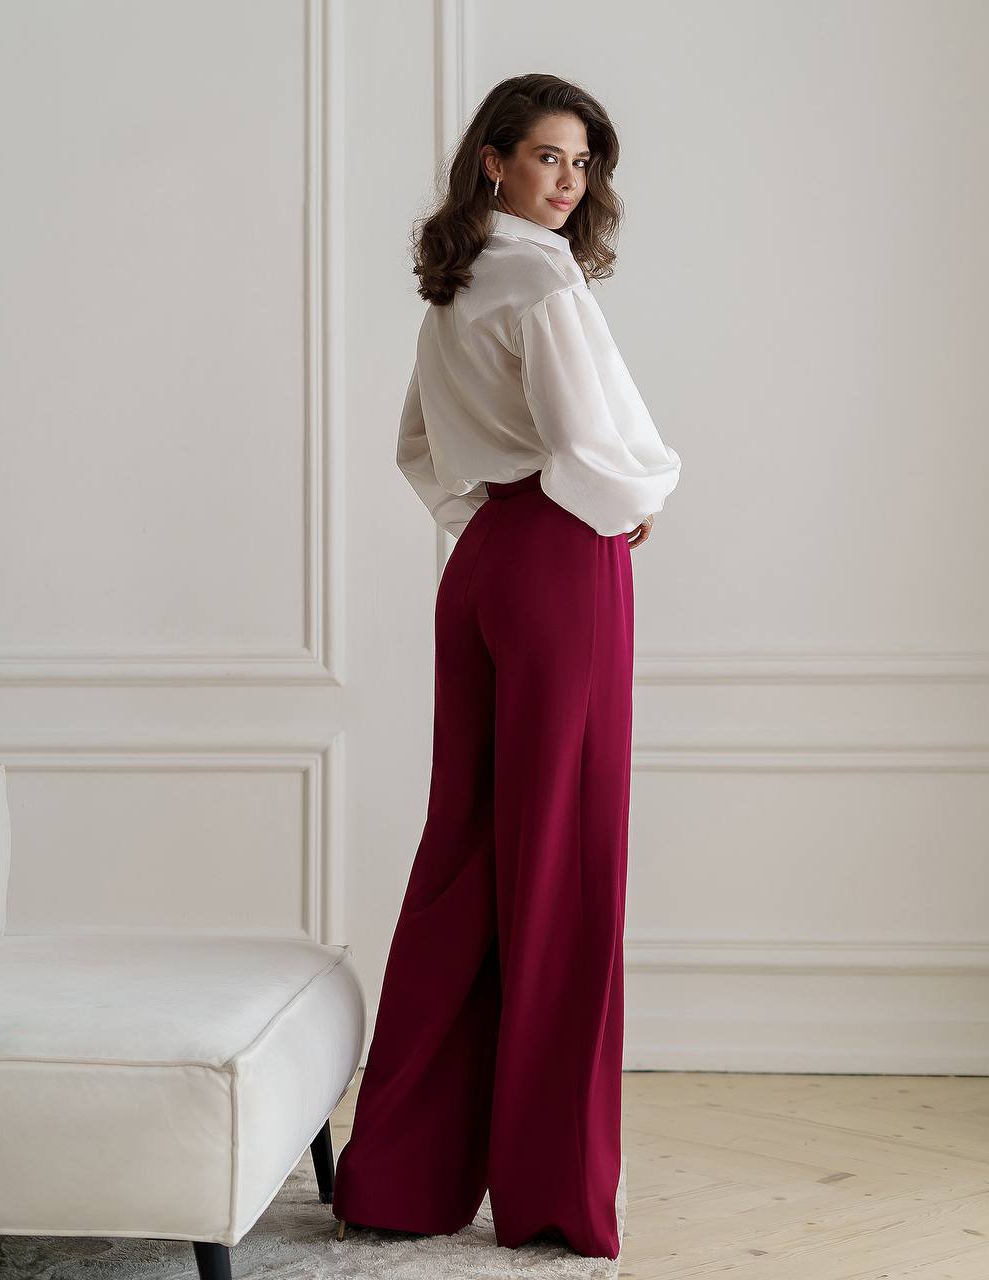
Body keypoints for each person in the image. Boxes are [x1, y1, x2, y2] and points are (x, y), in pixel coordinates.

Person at [331, 72, 682, 1261]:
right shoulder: (538, 272)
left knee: (464, 857)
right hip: (559, 565)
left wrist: (487, 511)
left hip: (481, 561)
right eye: (548, 157)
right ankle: (548, 1195)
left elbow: (416, 444)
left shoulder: (458, 277)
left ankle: (398, 1175)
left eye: (583, 164)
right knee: (565, 874)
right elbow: (594, 441)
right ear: (492, 159)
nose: (568, 181)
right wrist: (631, 502)